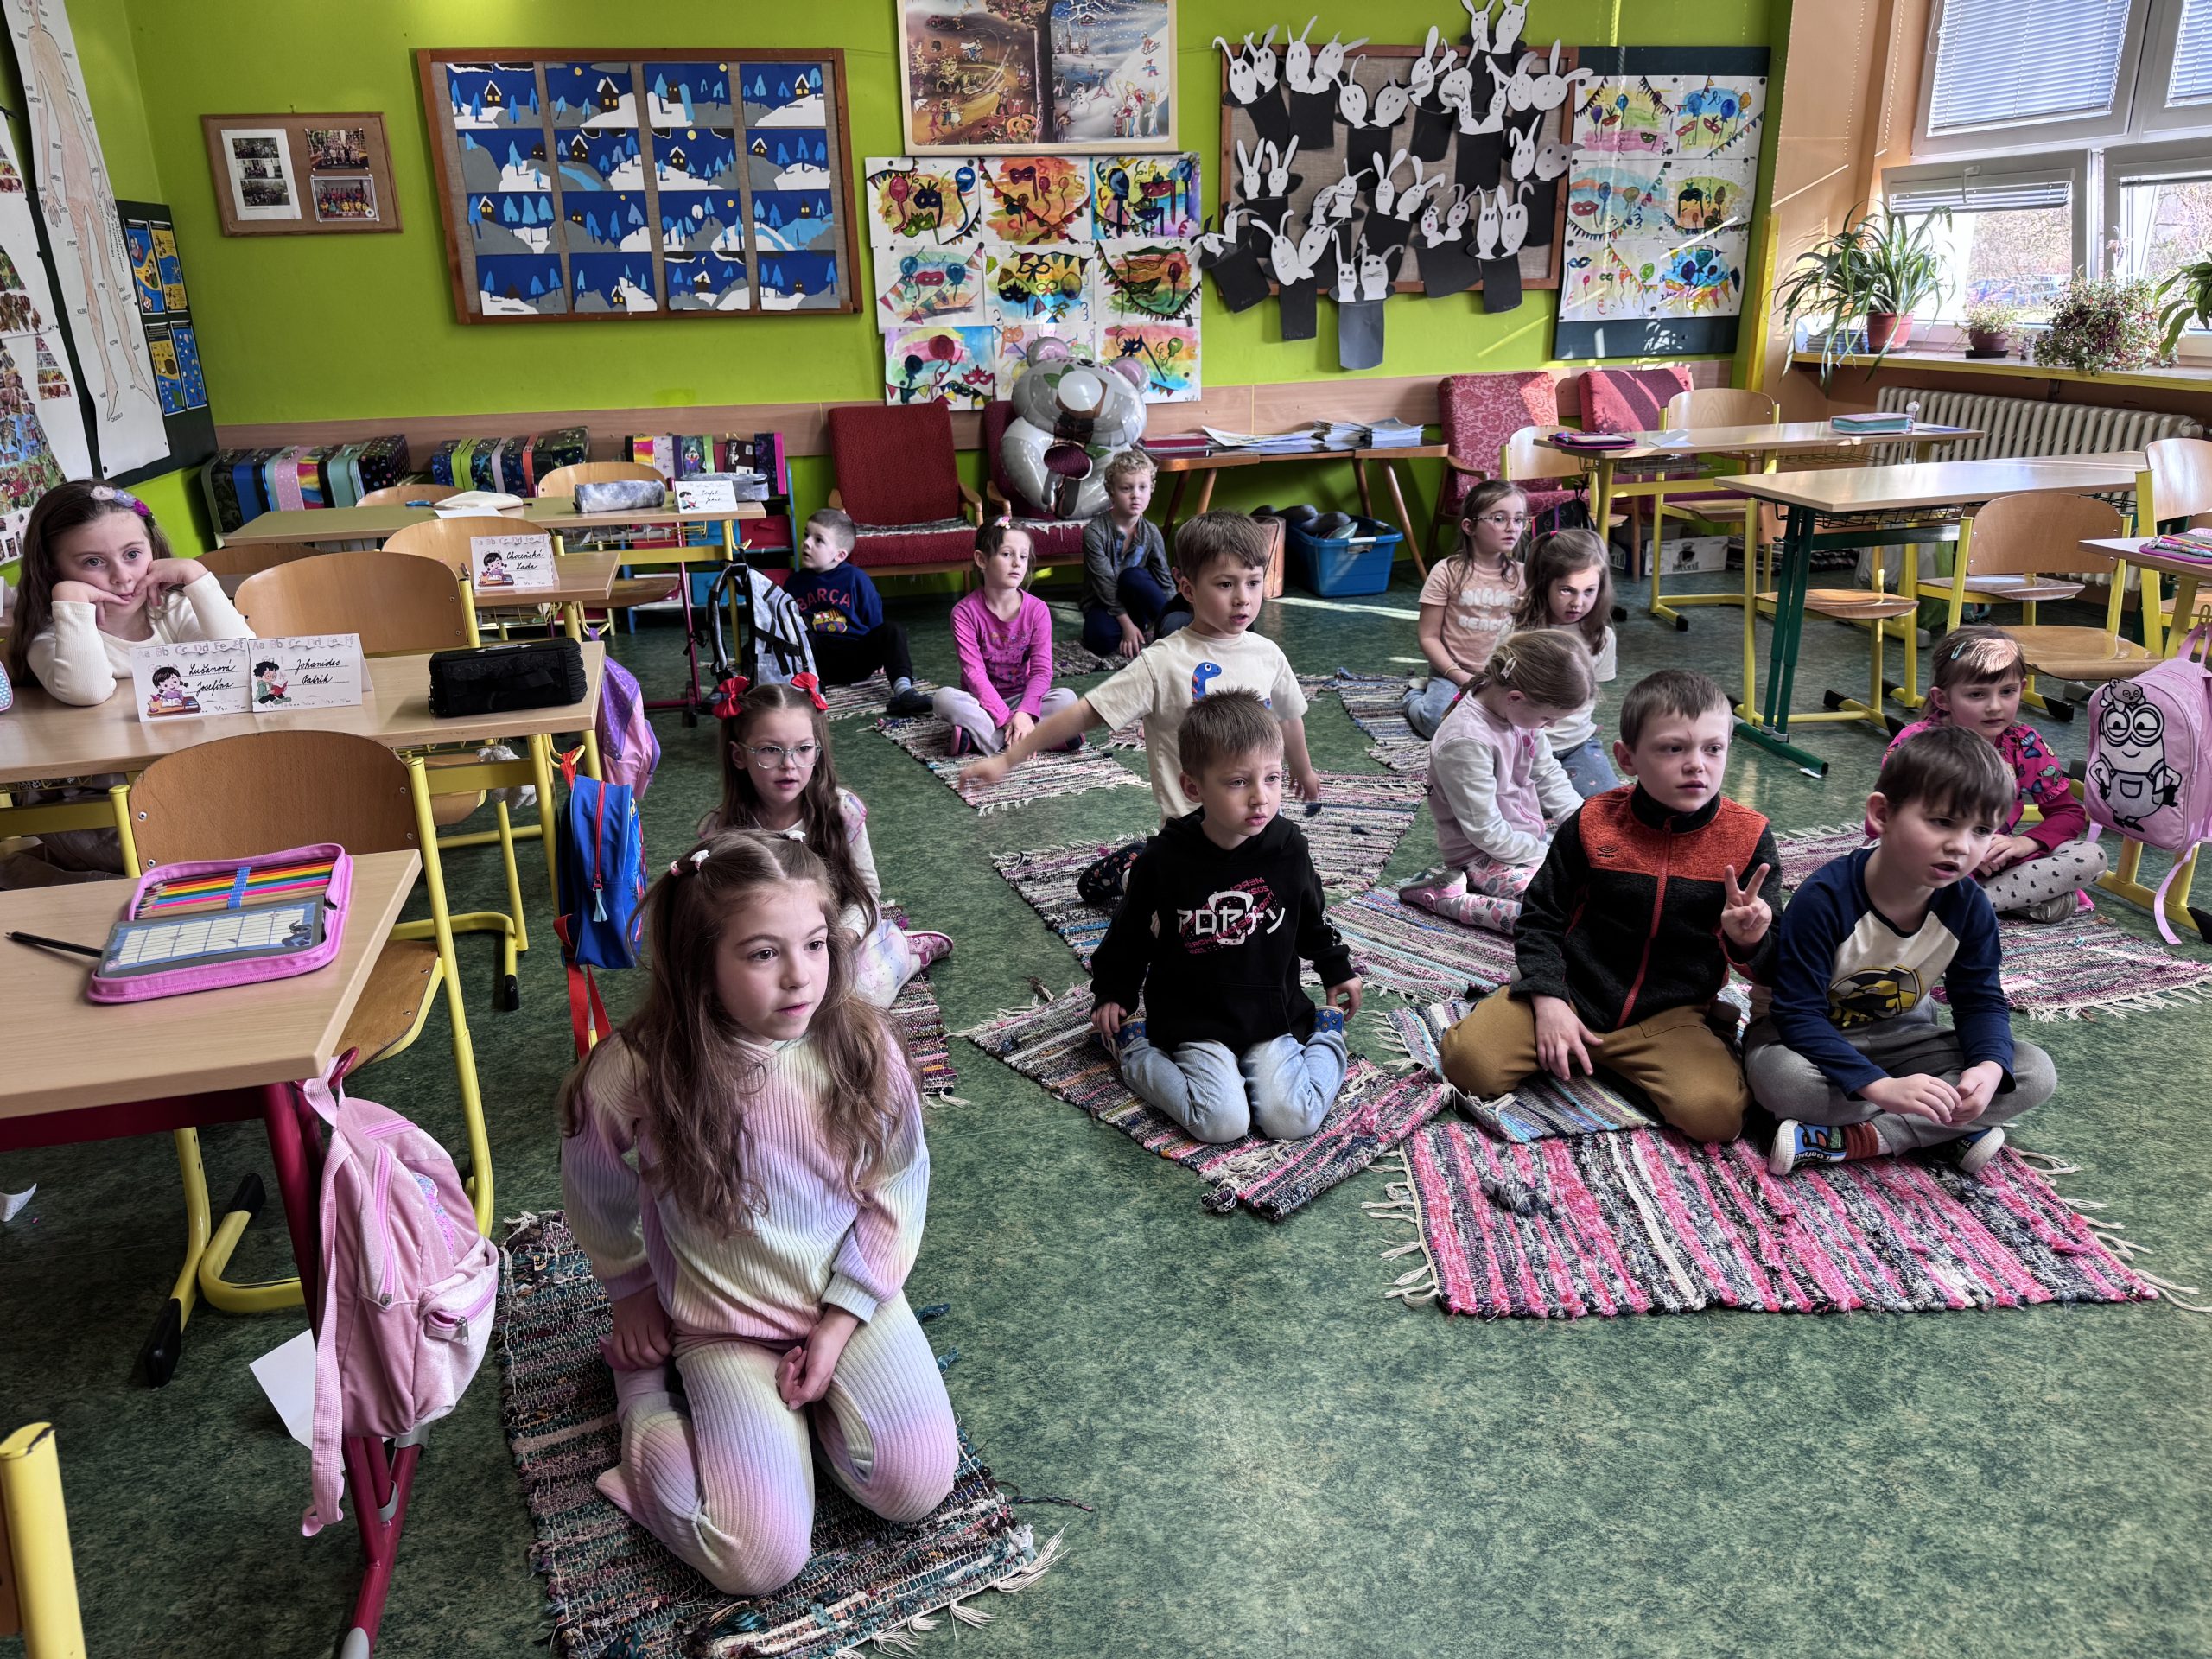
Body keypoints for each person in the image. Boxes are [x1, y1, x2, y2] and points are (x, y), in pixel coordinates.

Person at [561, 833, 957, 1597]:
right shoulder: (638, 1069)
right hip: (722, 1326)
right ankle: (641, 1400)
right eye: (763, 954)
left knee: (915, 1486)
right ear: (699, 962)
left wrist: (839, 1323)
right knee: (759, 1562)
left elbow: (898, 1186)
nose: (801, 975)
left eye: (815, 944)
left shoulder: (862, 1044)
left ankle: (804, 1431)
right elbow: (591, 1180)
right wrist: (630, 1289)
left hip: (850, 1301)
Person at [1438, 669, 1782, 1144]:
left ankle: (1661, 1051)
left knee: (1716, 1118)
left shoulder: (1749, 836)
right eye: (1673, 748)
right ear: (1627, 758)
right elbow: (1540, 917)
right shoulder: (1593, 822)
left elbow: (1772, 964)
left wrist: (1750, 941)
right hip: (1571, 992)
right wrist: (1548, 997)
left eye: (1713, 748)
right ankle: (1552, 1024)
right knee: (1468, 1066)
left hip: (1670, 1016)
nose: (1696, 765)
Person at [1752, 725, 2056, 1177]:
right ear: (1882, 814)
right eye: (1942, 822)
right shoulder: (1824, 898)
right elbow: (1798, 1016)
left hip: (1907, 1039)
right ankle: (1943, 1130)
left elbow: (1980, 1000)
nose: (1960, 846)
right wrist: (1879, 1087)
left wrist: (1988, 1067)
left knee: (2033, 1071)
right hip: (1810, 1044)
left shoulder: (1970, 906)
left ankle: (1861, 1139)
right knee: (1785, 1082)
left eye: (1981, 831)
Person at [1088, 692, 1362, 1142]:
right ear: (1193, 788)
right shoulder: (1165, 860)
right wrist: (1114, 991)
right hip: (1193, 1018)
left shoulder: (1289, 848)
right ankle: (1133, 1047)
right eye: (1238, 782)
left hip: (1271, 1014)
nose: (1261, 798)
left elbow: (1311, 916)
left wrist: (1336, 967)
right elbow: (1130, 933)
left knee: (1293, 1120)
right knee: (1220, 1124)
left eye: (1272, 778)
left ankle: (1327, 1035)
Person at [959, 511, 1321, 822]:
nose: (1243, 598)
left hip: (1260, 821)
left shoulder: (1268, 654)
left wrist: (1303, 770)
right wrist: (1007, 761)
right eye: (1226, 584)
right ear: (1188, 590)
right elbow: (1085, 713)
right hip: (1190, 834)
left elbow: (1289, 718)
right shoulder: (1162, 662)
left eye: (1253, 582)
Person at [702, 682, 950, 1006]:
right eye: (770, 750)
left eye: (803, 749)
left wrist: (838, 941)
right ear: (739, 755)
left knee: (858, 998)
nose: (789, 764)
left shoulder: (842, 811)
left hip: (836, 936)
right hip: (768, 944)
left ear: (817, 751)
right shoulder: (721, 829)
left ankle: (902, 950)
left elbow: (866, 893)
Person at [1878, 626, 2107, 922]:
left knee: (2090, 857)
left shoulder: (2024, 744)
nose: (1995, 706)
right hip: (1931, 856)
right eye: (1977, 694)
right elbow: (1891, 818)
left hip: (1995, 862)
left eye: (2007, 692)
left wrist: (2022, 844)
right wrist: (1962, 853)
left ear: (2022, 688)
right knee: (1882, 854)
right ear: (1942, 699)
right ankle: (1988, 901)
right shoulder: (1917, 743)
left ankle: (1965, 903)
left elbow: (2067, 812)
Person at [1398, 629, 1590, 935]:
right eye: (1547, 719)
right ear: (1515, 698)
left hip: (1524, 843)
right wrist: (1548, 853)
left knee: (1601, 893)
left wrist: (1584, 826)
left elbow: (1548, 774)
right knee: (1564, 919)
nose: (1550, 726)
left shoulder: (1521, 715)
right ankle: (1449, 899)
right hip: (1480, 858)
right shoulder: (1466, 741)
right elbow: (1486, 832)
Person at [7, 479, 251, 708]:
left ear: (152, 547)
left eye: (132, 554)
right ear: (51, 568)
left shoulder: (173, 609)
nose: (122, 576)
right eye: (93, 562)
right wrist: (72, 603)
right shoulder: (53, 639)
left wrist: (197, 576)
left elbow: (245, 658)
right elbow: (88, 693)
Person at [931, 520, 1080, 755]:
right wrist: (1007, 718)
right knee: (943, 699)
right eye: (1007, 554)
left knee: (1067, 698)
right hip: (981, 702)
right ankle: (1036, 739)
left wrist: (1025, 713)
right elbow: (974, 675)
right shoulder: (964, 612)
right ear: (981, 560)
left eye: (1023, 556)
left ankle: (979, 741)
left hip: (1023, 699)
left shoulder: (1038, 610)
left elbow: (1042, 672)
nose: (1017, 563)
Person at [1403, 479, 1528, 740]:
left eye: (1518, 519)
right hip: (1452, 671)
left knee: (1522, 724)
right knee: (1436, 723)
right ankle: (1413, 694)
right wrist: (1459, 676)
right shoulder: (1446, 571)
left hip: (1505, 675)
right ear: (1469, 527)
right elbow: (1428, 637)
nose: (1512, 528)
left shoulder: (1524, 575)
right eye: (1499, 519)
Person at [785, 507, 932, 717]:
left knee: (893, 630)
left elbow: (876, 625)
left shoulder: (857, 579)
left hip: (855, 657)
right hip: (816, 659)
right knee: (799, 630)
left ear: (840, 555)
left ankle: (904, 692)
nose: (807, 543)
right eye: (806, 535)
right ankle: (812, 690)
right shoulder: (794, 583)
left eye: (819, 540)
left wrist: (883, 655)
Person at [1514, 528, 1620, 796]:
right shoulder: (1517, 632)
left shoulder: (1603, 637)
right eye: (1566, 590)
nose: (1578, 603)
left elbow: (1591, 695)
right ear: (1544, 585)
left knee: (1606, 805)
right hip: (1522, 743)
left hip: (1577, 745)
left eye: (1589, 591)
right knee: (1510, 803)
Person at [1080, 448, 1188, 659]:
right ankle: (1137, 628)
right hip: (1104, 601)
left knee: (1133, 576)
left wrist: (1180, 616)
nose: (1136, 495)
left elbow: (1164, 581)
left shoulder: (1151, 532)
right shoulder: (1095, 532)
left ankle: (1163, 626)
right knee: (1099, 640)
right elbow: (1105, 586)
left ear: (1151, 490)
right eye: (1126, 488)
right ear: (1112, 492)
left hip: (1137, 598)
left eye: (1142, 487)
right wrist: (1127, 626)